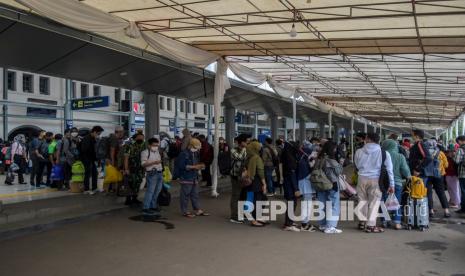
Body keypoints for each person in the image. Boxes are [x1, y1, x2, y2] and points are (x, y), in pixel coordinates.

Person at [355, 132, 394, 233]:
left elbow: (357, 165)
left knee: (361, 200)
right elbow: (389, 170)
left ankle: (362, 222)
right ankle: (370, 226)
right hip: (376, 179)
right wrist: (392, 184)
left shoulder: (359, 151)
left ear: (367, 138)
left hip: (361, 178)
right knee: (374, 202)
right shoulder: (384, 153)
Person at [175, 138, 209, 218]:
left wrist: (200, 166)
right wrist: (194, 167)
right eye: (196, 147)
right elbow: (181, 166)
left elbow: (196, 163)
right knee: (185, 195)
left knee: (195, 194)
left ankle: (197, 209)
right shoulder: (183, 154)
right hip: (186, 177)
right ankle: (185, 211)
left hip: (194, 176)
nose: (197, 149)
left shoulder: (195, 153)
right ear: (191, 146)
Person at [381, 139, 411, 229]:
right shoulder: (400, 156)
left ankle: (384, 221)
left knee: (384, 202)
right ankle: (397, 222)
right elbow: (405, 171)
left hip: (384, 183)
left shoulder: (382, 155)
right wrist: (409, 176)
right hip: (398, 183)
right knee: (397, 202)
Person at [316, 141, 343, 234]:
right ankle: (331, 226)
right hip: (332, 184)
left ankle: (322, 224)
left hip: (320, 184)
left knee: (322, 204)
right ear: (332, 149)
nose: (336, 150)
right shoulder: (331, 160)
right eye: (335, 148)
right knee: (334, 205)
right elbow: (338, 171)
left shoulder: (319, 157)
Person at [424, 139, 450, 218]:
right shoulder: (440, 153)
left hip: (427, 175)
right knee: (441, 192)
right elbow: (446, 165)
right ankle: (446, 211)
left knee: (428, 193)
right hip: (439, 175)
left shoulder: (425, 152)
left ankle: (431, 210)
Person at [242, 141, 266, 227]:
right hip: (256, 181)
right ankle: (255, 220)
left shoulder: (248, 157)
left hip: (249, 180)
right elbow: (260, 171)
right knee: (259, 200)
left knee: (250, 199)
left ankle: (251, 217)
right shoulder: (257, 158)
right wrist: (264, 183)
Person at [229, 134, 249, 223]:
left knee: (243, 196)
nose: (247, 143)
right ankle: (234, 216)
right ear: (241, 142)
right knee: (235, 195)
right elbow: (240, 157)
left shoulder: (246, 149)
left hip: (244, 176)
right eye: (246, 142)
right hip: (235, 176)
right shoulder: (233, 150)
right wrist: (244, 149)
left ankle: (241, 213)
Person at [141, 137, 163, 215]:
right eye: (154, 145)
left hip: (159, 173)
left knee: (157, 191)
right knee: (150, 191)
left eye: (157, 145)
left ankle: (153, 206)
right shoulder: (145, 152)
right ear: (149, 145)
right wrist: (154, 163)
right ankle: (146, 208)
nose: (156, 147)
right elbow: (143, 164)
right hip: (152, 173)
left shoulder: (157, 152)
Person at [281, 141, 300, 232]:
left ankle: (289, 222)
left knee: (291, 203)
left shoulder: (286, 156)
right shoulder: (291, 160)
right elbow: (292, 175)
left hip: (287, 184)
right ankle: (288, 224)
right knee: (292, 203)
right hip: (290, 186)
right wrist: (296, 189)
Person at [124, 132, 146, 205]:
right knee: (130, 183)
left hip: (140, 168)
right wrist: (126, 169)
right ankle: (128, 199)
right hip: (131, 168)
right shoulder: (129, 146)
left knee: (138, 183)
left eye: (142, 137)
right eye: (139, 137)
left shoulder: (143, 146)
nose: (141, 139)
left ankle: (134, 198)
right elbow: (126, 158)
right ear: (136, 138)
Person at [298, 144, 316, 232]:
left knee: (307, 204)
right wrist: (312, 167)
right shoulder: (303, 163)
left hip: (305, 185)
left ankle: (305, 222)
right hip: (305, 186)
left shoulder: (302, 160)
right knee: (307, 205)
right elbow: (307, 174)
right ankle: (304, 224)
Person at [81, 126, 104, 194]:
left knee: (95, 173)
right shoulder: (86, 138)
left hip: (92, 159)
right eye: (98, 133)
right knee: (87, 174)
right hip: (86, 159)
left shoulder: (93, 138)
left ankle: (94, 188)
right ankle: (86, 189)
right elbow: (84, 149)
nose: (99, 135)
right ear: (94, 132)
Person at [453, 135, 465, 214]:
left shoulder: (460, 149)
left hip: (463, 173)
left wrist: (453, 155)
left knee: (463, 192)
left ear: (461, 141)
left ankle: (463, 209)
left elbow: (456, 161)